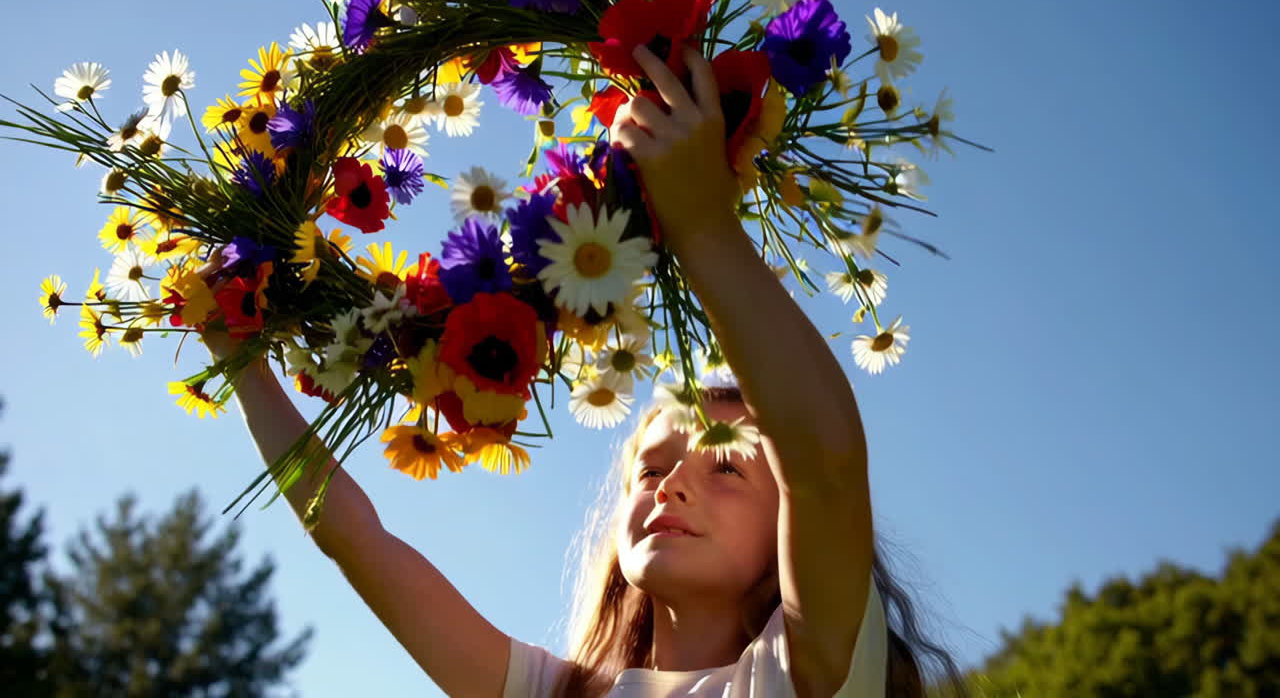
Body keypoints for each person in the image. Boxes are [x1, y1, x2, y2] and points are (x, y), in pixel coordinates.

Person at [207, 44, 970, 697]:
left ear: (790, 534)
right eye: (651, 469)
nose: (670, 484)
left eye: (729, 471)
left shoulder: (803, 672)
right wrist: (238, 358)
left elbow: (825, 464)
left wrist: (702, 223)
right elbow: (354, 538)